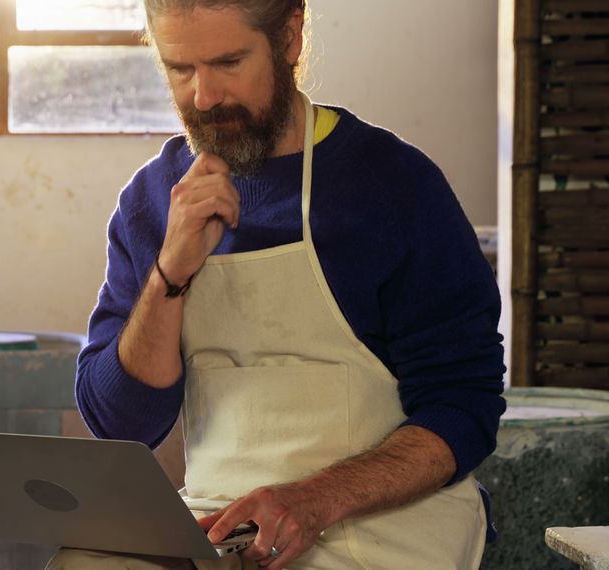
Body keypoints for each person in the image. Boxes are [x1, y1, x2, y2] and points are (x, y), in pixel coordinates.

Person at [49, 1, 506, 569]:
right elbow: (122, 425)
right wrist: (170, 273)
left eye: (228, 62)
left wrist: (313, 500)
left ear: (290, 36)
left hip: (383, 523)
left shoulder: (395, 187)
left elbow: (464, 406)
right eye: (180, 70)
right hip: (219, 524)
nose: (204, 97)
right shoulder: (152, 202)